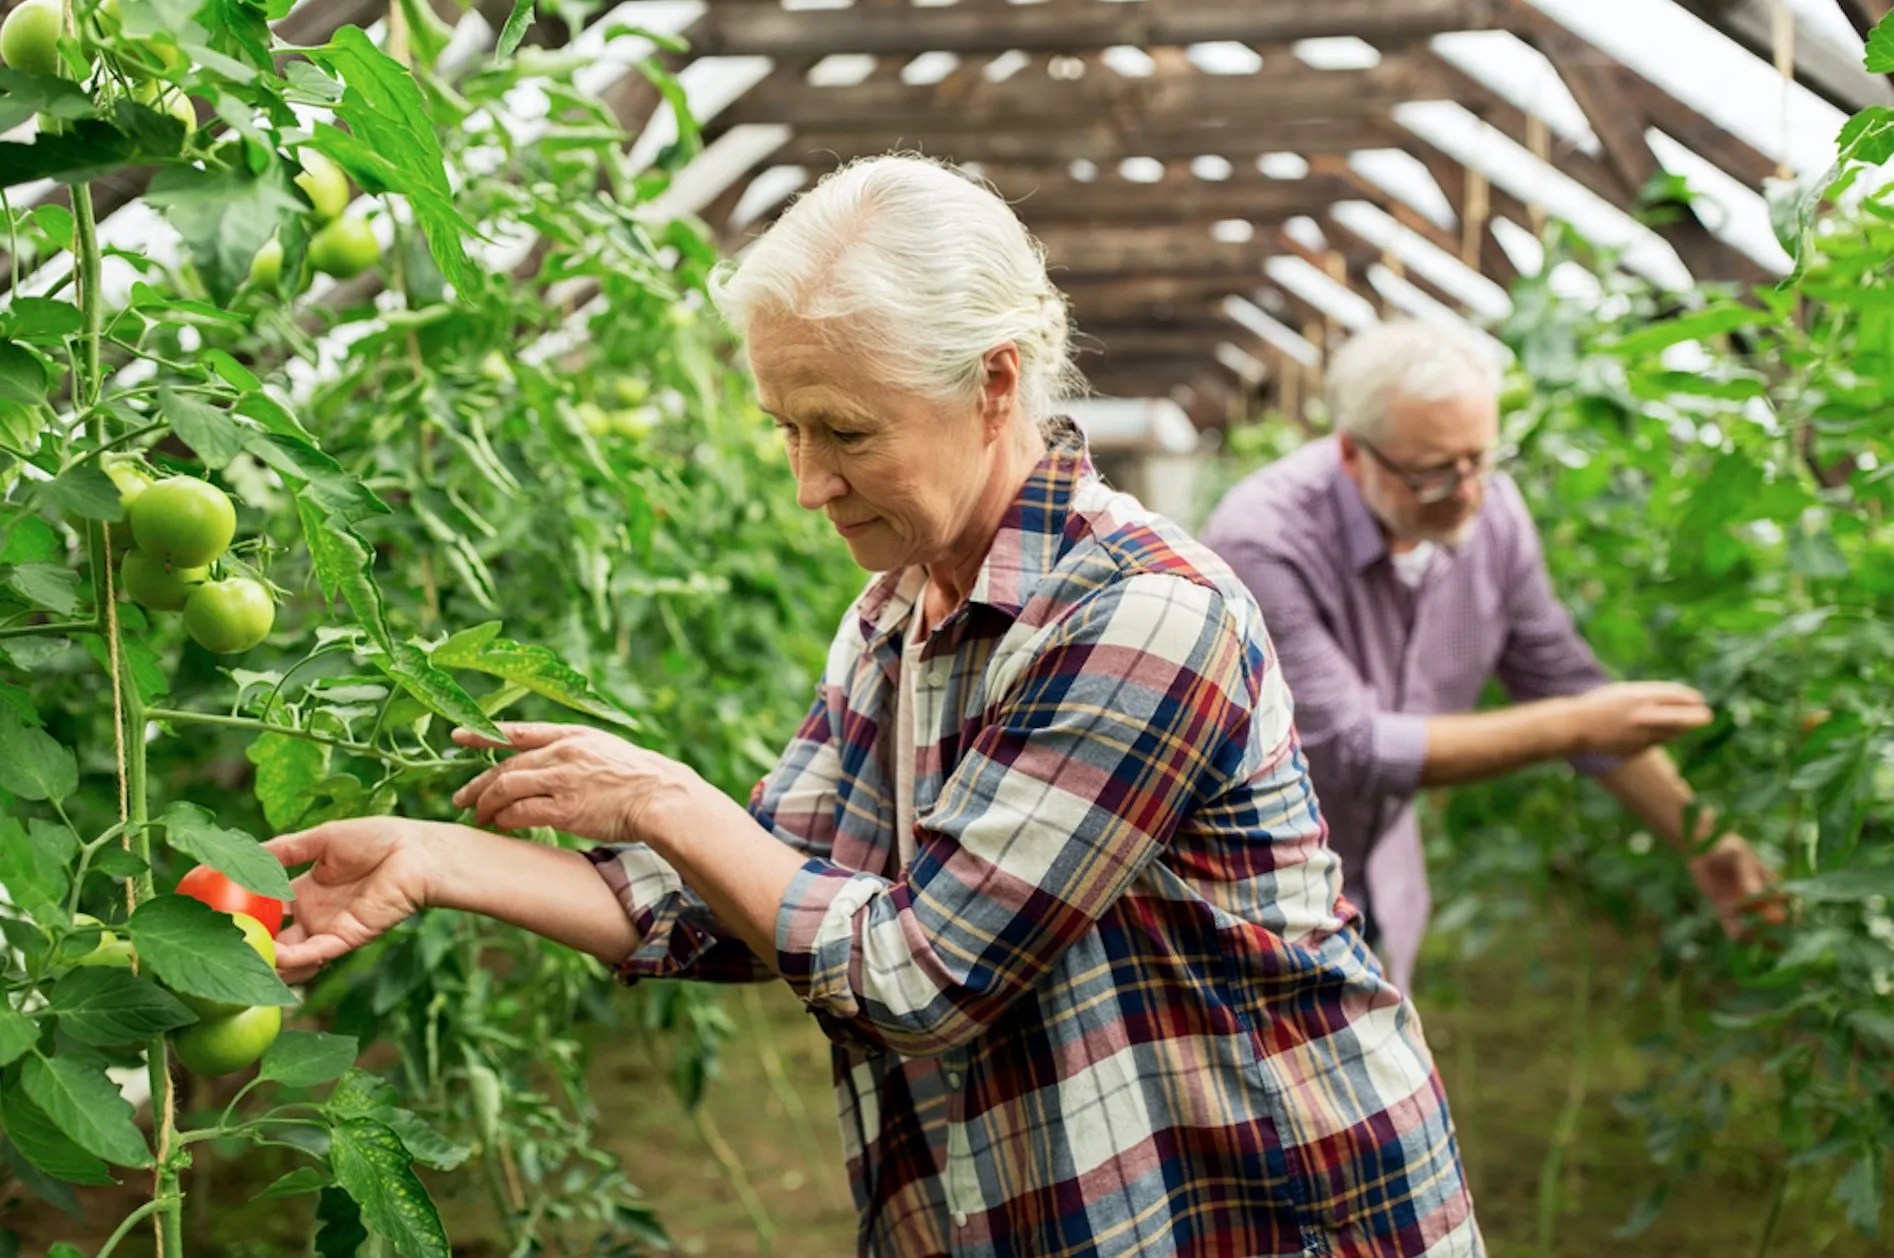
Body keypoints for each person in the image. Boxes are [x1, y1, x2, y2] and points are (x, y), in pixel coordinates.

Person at [263, 157, 1483, 1257]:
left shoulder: (1144, 617)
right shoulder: (900, 610)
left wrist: (668, 797)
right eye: (786, 428)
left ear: (995, 384)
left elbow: (919, 977)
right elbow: (747, 898)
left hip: (1258, 1203)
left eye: (846, 430)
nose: (806, 482)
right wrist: (432, 858)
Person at [1199, 319, 1774, 993]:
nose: (1469, 491)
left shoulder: (1491, 512)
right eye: (1435, 473)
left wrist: (1705, 841)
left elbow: (1562, 679)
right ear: (1354, 455)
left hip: (1381, 880)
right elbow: (1351, 749)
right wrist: (1578, 725)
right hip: (1257, 904)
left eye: (1480, 458)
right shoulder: (1263, 541)